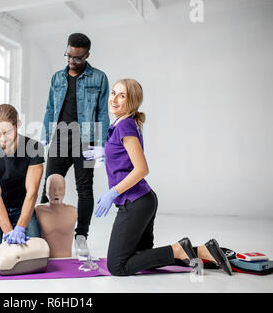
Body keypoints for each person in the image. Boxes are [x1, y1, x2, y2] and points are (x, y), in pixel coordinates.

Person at [89, 78, 232, 276]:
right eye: (113, 93)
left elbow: (141, 169)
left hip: (135, 202)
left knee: (117, 266)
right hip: (144, 200)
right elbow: (125, 158)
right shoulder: (121, 123)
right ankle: (202, 251)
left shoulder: (124, 126)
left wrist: (112, 193)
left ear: (132, 101)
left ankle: (178, 249)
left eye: (122, 96)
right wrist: (105, 153)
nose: (114, 99)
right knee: (141, 257)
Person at [40, 33, 109, 258]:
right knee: (48, 186)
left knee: (84, 189)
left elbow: (103, 113)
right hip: (59, 138)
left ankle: (81, 237)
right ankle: (37, 234)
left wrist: (102, 145)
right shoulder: (57, 78)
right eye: (69, 56)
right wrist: (44, 136)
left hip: (86, 140)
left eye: (77, 58)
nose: (72, 61)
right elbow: (50, 108)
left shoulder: (99, 78)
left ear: (87, 55)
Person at [0, 104, 45, 249]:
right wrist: (8, 232)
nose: (3, 138)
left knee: (36, 252)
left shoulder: (34, 148)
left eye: (7, 132)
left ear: (18, 125)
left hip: (23, 204)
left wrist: (20, 228)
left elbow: (32, 193)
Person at [35, 174, 77, 258]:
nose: (56, 193)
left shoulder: (73, 211)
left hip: (67, 261)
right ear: (46, 190)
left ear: (65, 190)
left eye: (60, 189)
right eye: (52, 188)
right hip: (45, 262)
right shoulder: (38, 211)